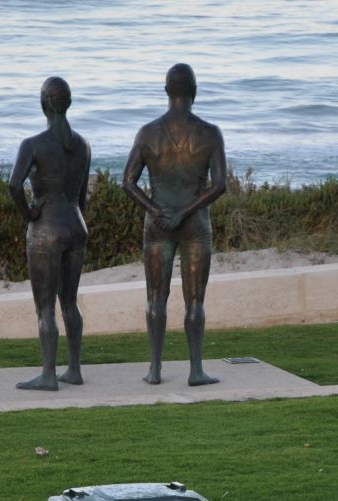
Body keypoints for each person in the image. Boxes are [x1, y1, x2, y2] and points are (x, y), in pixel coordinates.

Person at [122, 63, 228, 386]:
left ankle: (155, 369)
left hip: (157, 225)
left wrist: (157, 209)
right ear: (194, 92)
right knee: (195, 300)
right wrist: (185, 212)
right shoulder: (210, 134)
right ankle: (195, 370)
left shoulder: (148, 133)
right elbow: (220, 184)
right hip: (195, 223)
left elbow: (127, 182)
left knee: (156, 297)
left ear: (167, 91)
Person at [9, 76, 91, 391]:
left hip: (47, 228)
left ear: (45, 103)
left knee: (45, 307)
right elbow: (82, 195)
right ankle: (73, 369)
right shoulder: (83, 144)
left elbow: (14, 185)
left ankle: (47, 375)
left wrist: (29, 214)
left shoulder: (32, 145)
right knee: (69, 301)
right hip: (75, 225)